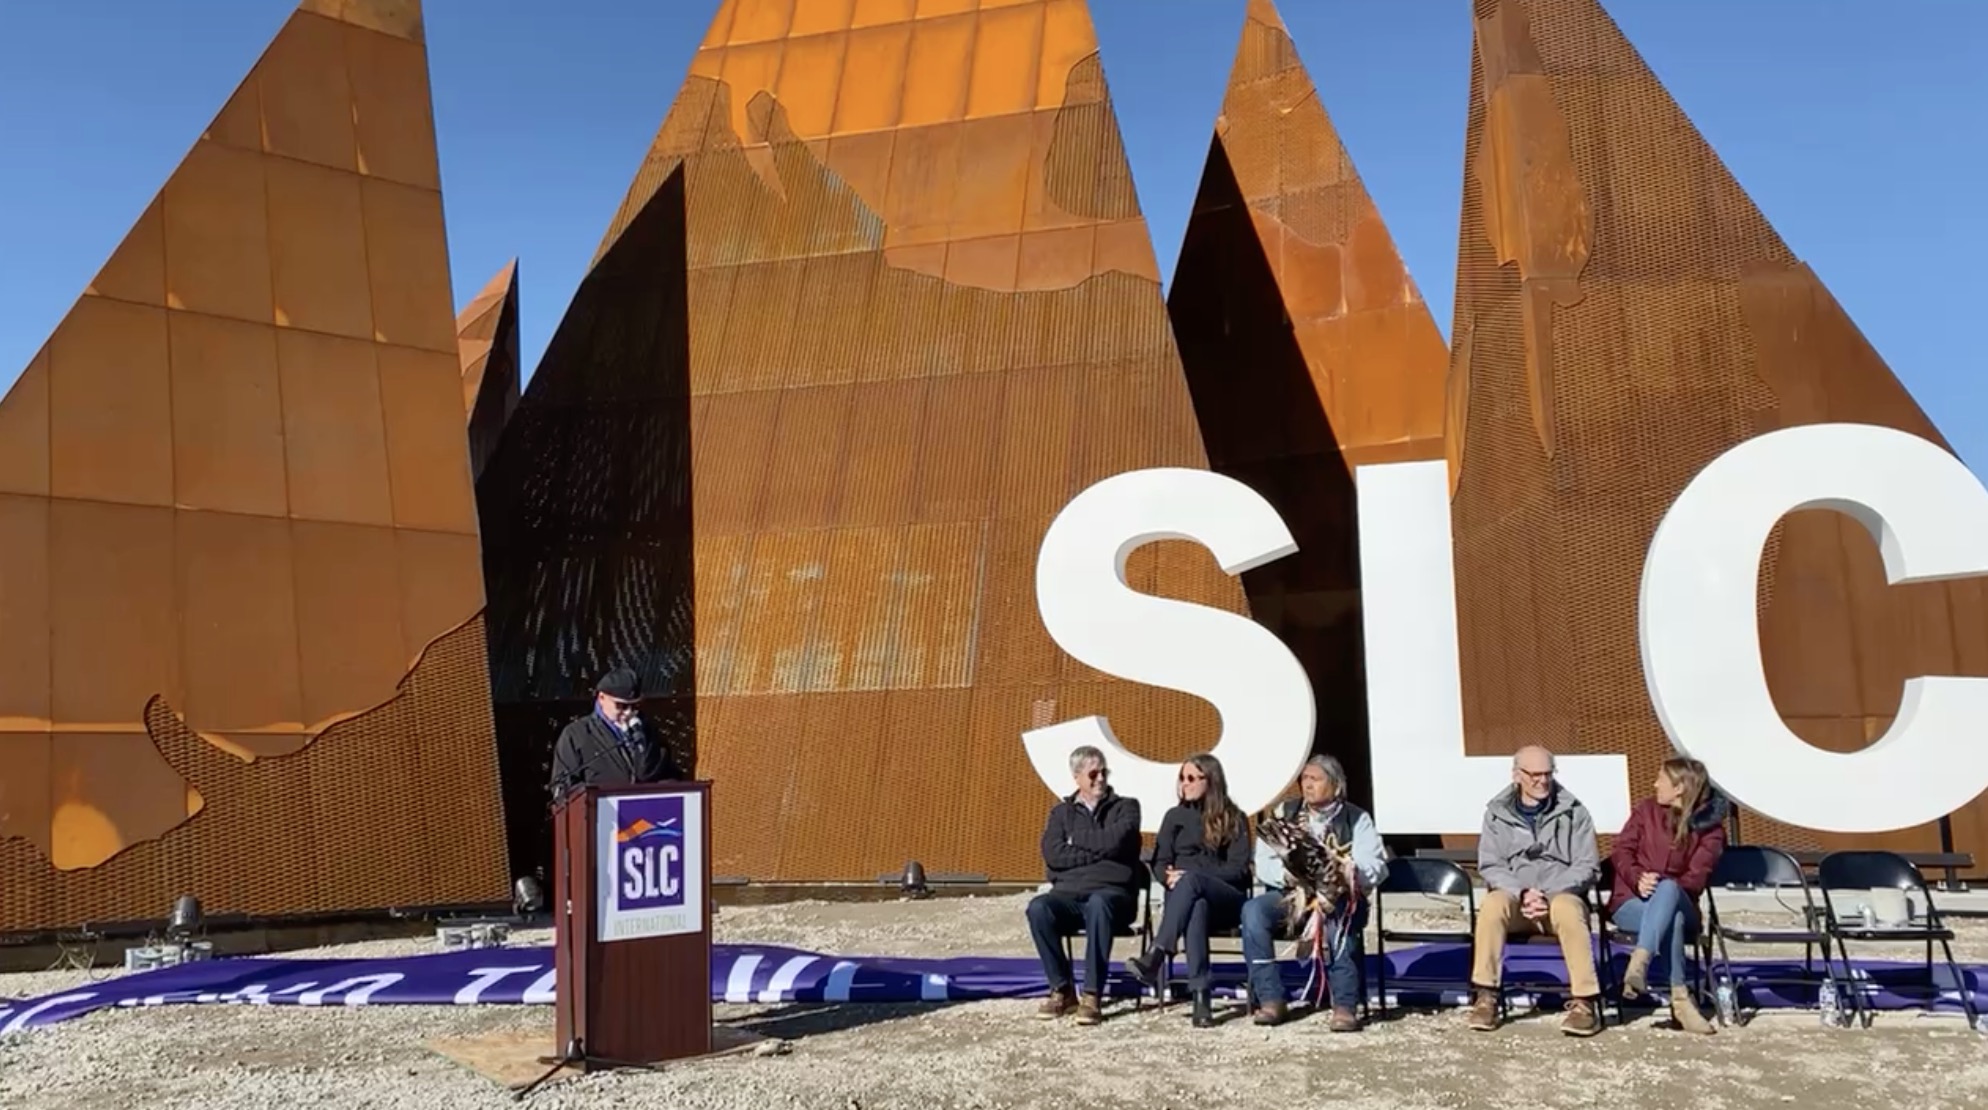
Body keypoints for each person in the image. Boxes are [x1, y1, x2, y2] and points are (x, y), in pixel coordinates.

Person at [1239, 754, 1388, 1030]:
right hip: (1292, 898)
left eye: (1315, 779)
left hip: (1341, 901)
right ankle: (1271, 999)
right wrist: (1288, 875)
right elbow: (1263, 862)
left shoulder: (1357, 819)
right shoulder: (1285, 813)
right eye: (1304, 779)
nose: (1307, 785)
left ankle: (1344, 1006)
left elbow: (1376, 865)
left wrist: (1347, 871)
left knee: (1339, 919)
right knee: (1254, 911)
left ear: (1336, 785)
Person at [1466, 745, 1604, 1036]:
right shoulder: (1496, 814)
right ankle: (1486, 996)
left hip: (1559, 897)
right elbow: (1490, 864)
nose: (1542, 781)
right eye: (1534, 775)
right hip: (1517, 899)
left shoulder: (1575, 813)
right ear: (1517, 775)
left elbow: (1587, 865)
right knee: (1492, 905)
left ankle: (1584, 1002)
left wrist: (1549, 893)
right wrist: (1523, 892)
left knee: (1568, 909)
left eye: (1547, 774)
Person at [1125, 753, 1253, 1028]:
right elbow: (1160, 862)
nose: (1185, 783)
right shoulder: (1174, 817)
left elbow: (1239, 869)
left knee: (1193, 884)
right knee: (1196, 905)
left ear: (1211, 779)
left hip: (1226, 898)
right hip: (1187, 900)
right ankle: (1201, 998)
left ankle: (1157, 953)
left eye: (1192, 778)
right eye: (1182, 778)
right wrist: (1167, 877)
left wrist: (1194, 876)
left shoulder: (1233, 817)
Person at [1024, 746, 1144, 1025]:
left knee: (1099, 905)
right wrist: (1102, 852)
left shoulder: (1127, 807)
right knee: (1038, 908)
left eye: (1104, 772)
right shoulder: (1060, 814)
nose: (1100, 778)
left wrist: (1075, 840)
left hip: (1113, 897)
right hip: (1068, 895)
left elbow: (1118, 842)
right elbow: (1053, 855)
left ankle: (1092, 994)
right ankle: (1062, 990)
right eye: (1093, 773)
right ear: (1077, 776)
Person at [1608, 757, 1728, 1034]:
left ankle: (1641, 959)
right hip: (1631, 901)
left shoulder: (1710, 829)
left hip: (1682, 901)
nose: (1654, 784)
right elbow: (1621, 851)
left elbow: (1696, 877)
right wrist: (1638, 877)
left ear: (1679, 788)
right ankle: (1681, 1001)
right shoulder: (1646, 811)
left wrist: (1661, 885)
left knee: (1670, 891)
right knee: (1669, 920)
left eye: (1661, 778)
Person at [546, 668, 678, 798]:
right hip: (600, 814)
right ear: (602, 698)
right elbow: (563, 787)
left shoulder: (649, 732)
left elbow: (668, 775)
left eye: (634, 706)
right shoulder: (576, 735)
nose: (628, 713)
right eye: (621, 705)